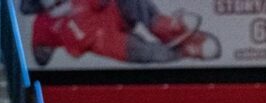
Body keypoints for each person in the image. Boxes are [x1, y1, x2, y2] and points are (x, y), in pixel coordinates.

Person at [22, 0, 220, 66]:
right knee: (147, 53)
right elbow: (40, 58)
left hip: (115, 15)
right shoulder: (42, 25)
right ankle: (186, 50)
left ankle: (164, 26)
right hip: (105, 41)